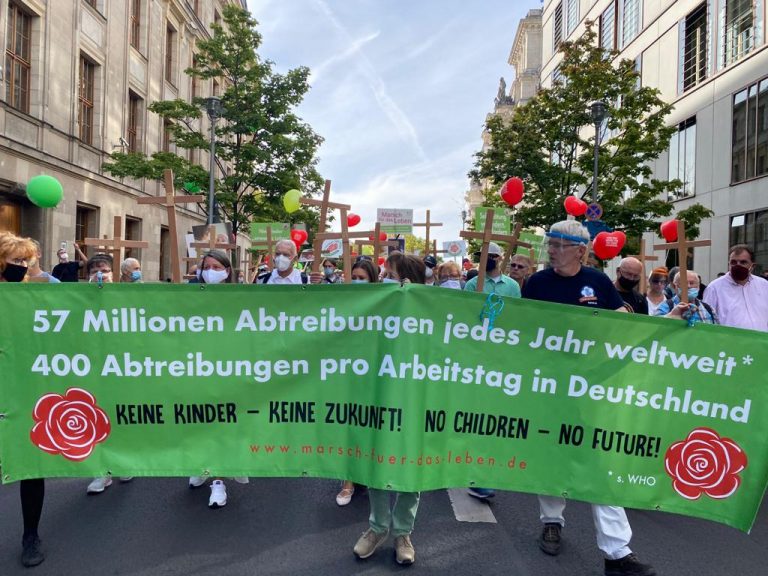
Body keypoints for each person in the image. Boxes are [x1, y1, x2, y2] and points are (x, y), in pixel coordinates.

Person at [522, 220, 656, 576]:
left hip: (591, 389)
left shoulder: (598, 283)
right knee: (551, 457)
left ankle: (617, 553)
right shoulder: (536, 283)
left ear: (580, 251)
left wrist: (667, 318)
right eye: (549, 244)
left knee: (599, 463)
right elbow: (522, 332)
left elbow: (619, 324)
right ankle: (552, 521)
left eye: (558, 245)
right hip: (549, 387)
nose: (551, 250)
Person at [353, 252, 423, 566]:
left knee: (412, 466)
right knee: (376, 461)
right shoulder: (374, 307)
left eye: (390, 274)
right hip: (378, 395)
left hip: (417, 398)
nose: (384, 278)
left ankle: (403, 533)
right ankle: (378, 527)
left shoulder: (431, 311)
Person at [312, 257, 379, 505]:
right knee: (349, 422)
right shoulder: (341, 296)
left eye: (363, 278)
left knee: (368, 423)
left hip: (373, 370)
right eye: (355, 277)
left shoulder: (386, 300)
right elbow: (316, 312)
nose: (358, 282)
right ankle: (348, 481)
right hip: (345, 369)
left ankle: (368, 470)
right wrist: (317, 287)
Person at [187, 251, 248, 506]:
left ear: (227, 270)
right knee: (198, 421)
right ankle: (202, 466)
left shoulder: (240, 298)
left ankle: (219, 482)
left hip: (228, 369)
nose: (211, 271)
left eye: (216, 266)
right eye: (206, 267)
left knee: (222, 423)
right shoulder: (191, 296)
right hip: (196, 367)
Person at [0, 232, 46, 567]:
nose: (20, 266)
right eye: (14, 260)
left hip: (25, 390)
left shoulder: (35, 298)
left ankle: (31, 535)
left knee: (31, 466)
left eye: (24, 261)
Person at [703, 244, 768, 331]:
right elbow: (706, 320)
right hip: (729, 342)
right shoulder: (714, 288)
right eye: (733, 262)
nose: (738, 265)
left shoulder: (763, 285)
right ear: (728, 264)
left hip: (761, 342)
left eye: (743, 262)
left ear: (753, 266)